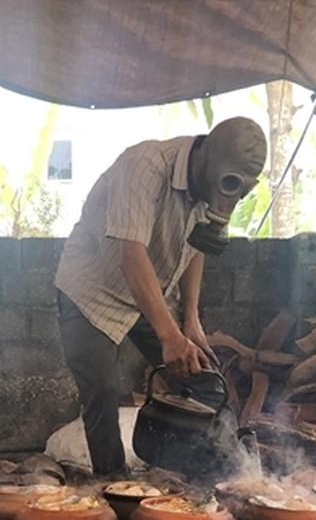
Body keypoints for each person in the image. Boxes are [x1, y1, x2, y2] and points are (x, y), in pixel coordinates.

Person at [54, 116, 267, 479]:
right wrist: (169, 337)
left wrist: (190, 320)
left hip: (148, 291)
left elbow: (196, 248)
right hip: (93, 289)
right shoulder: (144, 166)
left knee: (204, 380)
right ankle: (114, 486)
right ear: (204, 156)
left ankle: (224, 478)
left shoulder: (214, 186)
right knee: (102, 390)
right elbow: (131, 255)